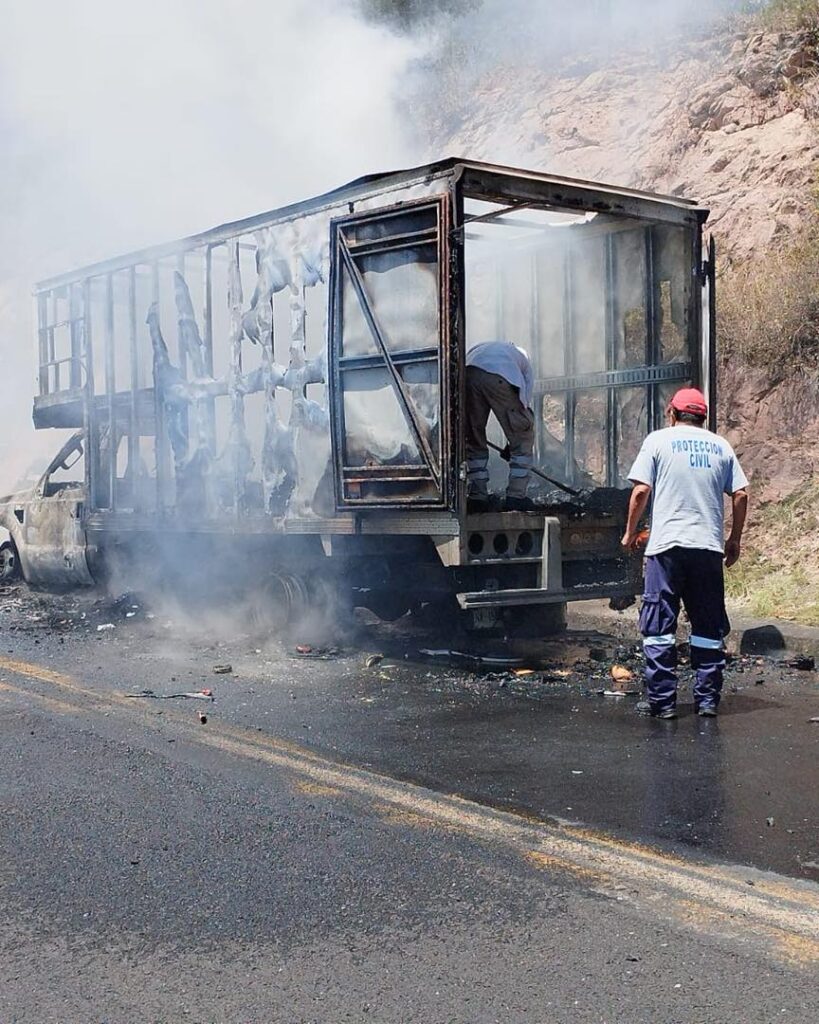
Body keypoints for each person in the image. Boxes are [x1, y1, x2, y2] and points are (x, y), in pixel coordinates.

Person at [621, 387, 749, 719]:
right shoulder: (721, 446)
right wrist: (734, 539)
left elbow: (641, 491)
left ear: (673, 414)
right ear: (702, 417)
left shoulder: (658, 441)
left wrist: (630, 531)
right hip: (707, 548)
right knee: (707, 625)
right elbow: (741, 494)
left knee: (659, 626)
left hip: (667, 549)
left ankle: (663, 703)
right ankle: (706, 701)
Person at [465, 341, 535, 512]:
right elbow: (524, 401)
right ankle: (516, 497)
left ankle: (477, 497)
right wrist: (515, 443)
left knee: (473, 437)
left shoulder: (482, 347)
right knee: (523, 437)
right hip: (500, 376)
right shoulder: (522, 356)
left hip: (469, 374)